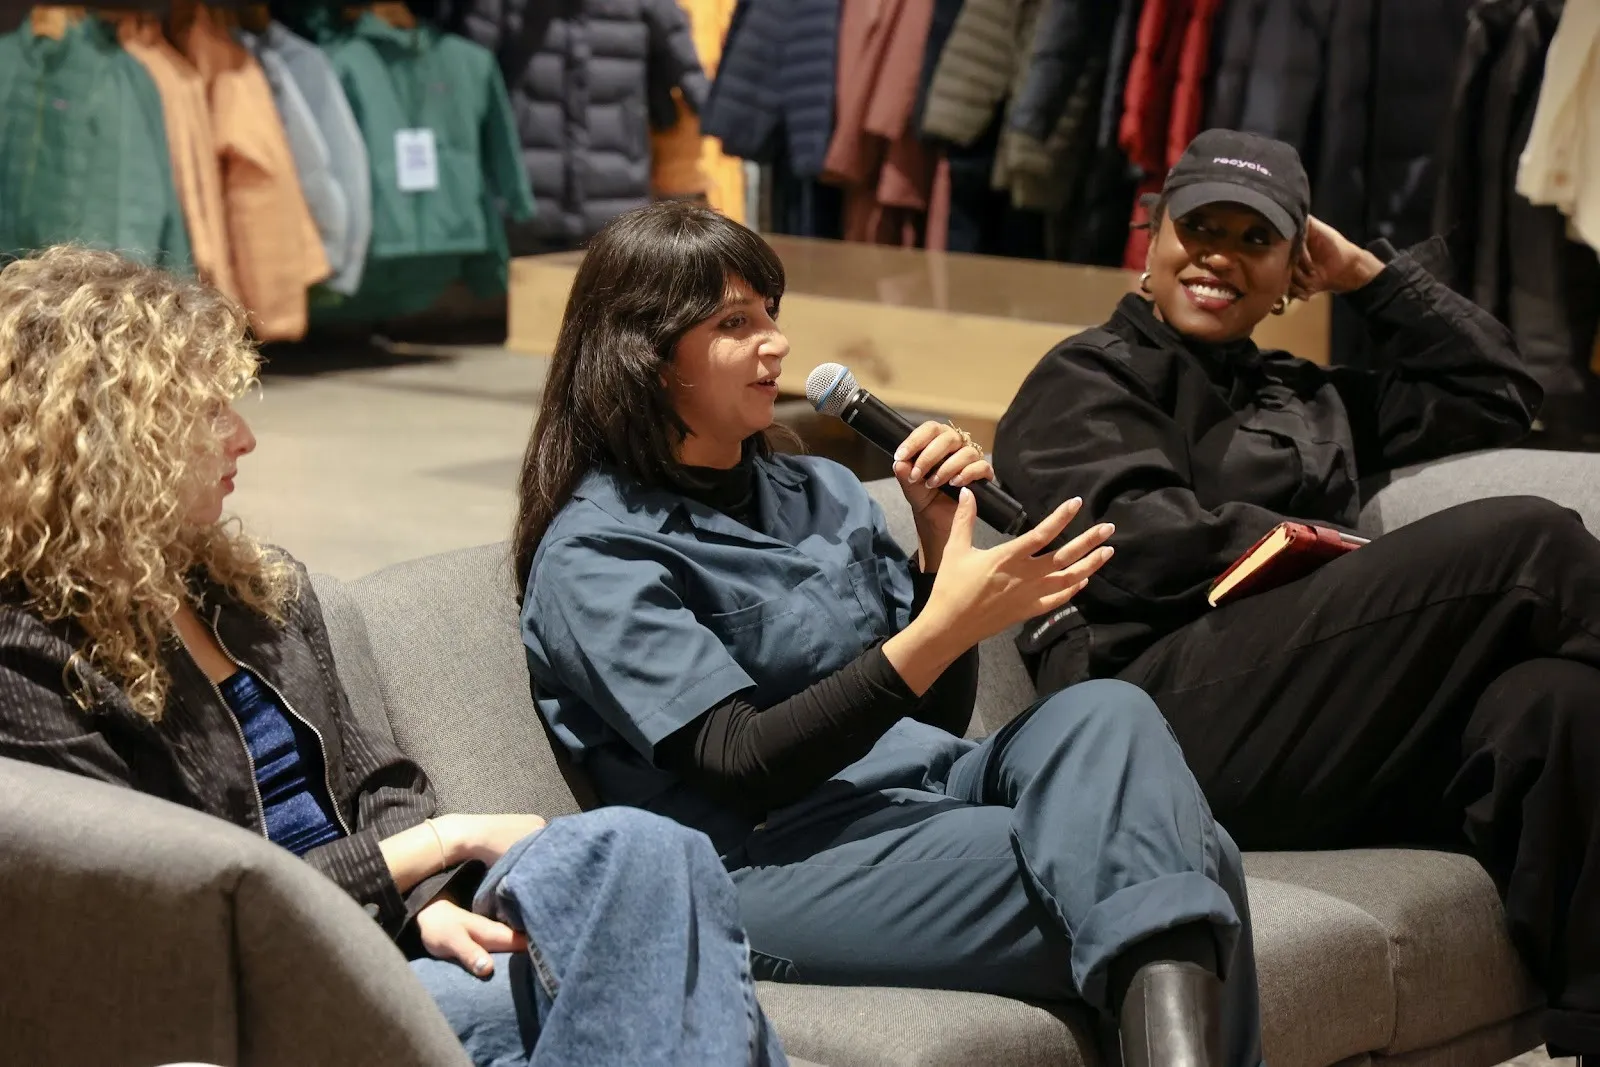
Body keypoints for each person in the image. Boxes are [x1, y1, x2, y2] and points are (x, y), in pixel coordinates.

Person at [514, 200, 1268, 1067]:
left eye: (771, 314)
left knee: (1106, 712)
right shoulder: (597, 553)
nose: (777, 344)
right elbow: (739, 761)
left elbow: (935, 722)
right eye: (735, 323)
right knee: (1193, 856)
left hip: (920, 794)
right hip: (763, 856)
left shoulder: (822, 489)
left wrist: (942, 550)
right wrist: (942, 627)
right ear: (644, 356)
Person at [0, 245, 788, 1067]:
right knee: (680, 972)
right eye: (205, 413)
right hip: (259, 987)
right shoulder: (30, 654)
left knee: (652, 854)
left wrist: (418, 900)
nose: (243, 438)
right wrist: (425, 854)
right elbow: (168, 906)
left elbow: (380, 783)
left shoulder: (250, 590)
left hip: (380, 935)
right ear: (106, 442)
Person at [992, 127, 1600, 1057]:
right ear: (1150, 241)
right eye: (1199, 228)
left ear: (1290, 273)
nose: (1219, 257)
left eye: (1253, 240)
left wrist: (1368, 276)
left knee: (1557, 707)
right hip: (1150, 722)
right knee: (1529, 541)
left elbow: (1502, 391)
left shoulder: (1309, 395)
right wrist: (1320, 557)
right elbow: (1129, 545)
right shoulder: (1085, 376)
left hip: (1309, 727)